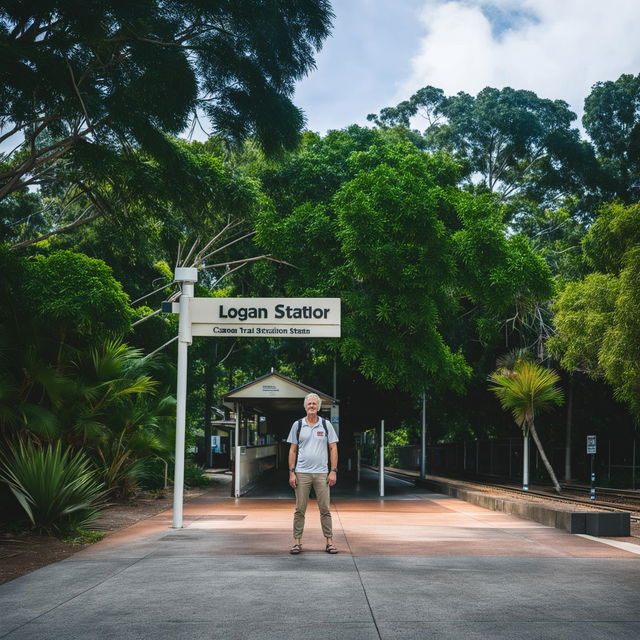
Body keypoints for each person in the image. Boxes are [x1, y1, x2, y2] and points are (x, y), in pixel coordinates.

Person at [287, 393, 339, 554]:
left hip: (322, 474)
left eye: (314, 404)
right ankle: (297, 543)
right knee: (300, 509)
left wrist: (333, 471)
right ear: (305, 406)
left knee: (325, 509)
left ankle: (329, 542)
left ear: (318, 406)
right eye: (309, 404)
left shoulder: (326, 425)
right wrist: (292, 472)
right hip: (302, 473)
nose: (311, 406)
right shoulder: (298, 425)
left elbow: (333, 448)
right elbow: (293, 450)